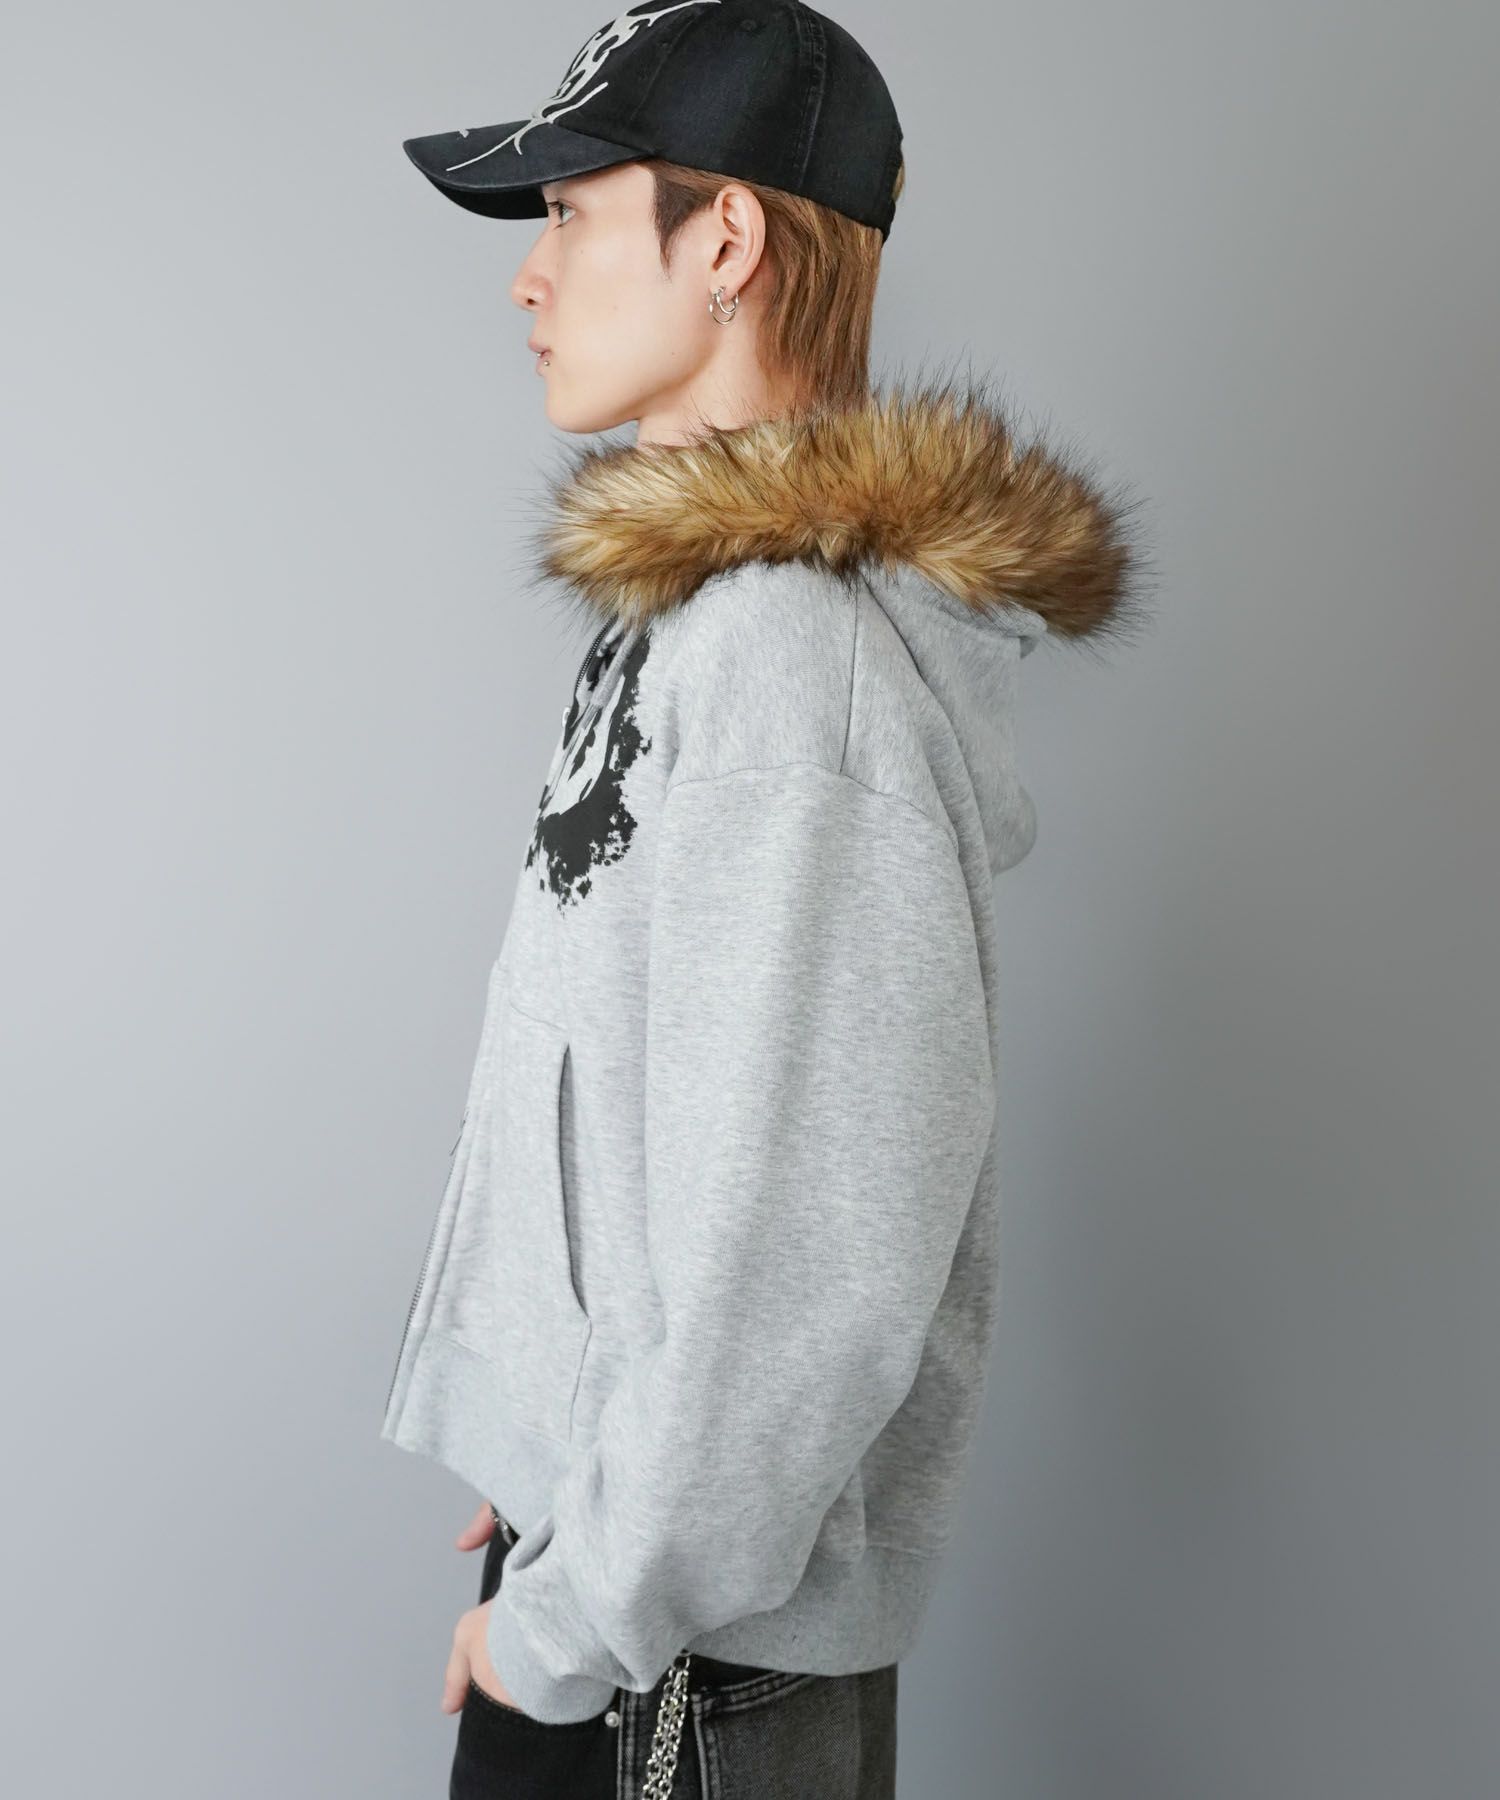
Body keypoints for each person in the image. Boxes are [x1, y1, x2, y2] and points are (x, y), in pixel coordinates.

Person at [380, 4, 1150, 1795]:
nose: (531, 274)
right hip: (624, 1575)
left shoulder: (792, 673)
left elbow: (809, 1276)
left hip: (680, 1663)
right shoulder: (692, 624)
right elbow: (642, 1111)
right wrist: (550, 1440)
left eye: (572, 211)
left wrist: (578, 1611)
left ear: (723, 239)